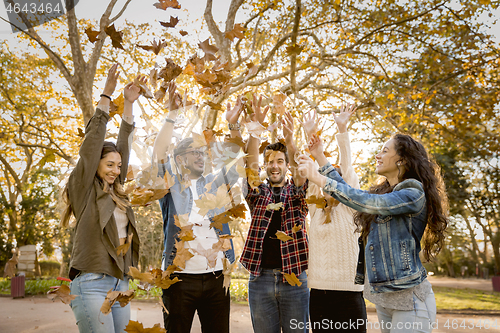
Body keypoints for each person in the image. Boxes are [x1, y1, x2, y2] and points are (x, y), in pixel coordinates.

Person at [298, 131, 448, 333]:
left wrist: (317, 176)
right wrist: (320, 156)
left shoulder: (413, 193)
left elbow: (367, 202)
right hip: (385, 301)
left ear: (402, 160)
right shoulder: (384, 193)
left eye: (385, 151)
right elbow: (351, 192)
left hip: (410, 300)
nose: (378, 155)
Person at [152, 83, 244, 333]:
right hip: (179, 279)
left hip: (216, 279)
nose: (201, 156)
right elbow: (158, 156)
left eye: (203, 153)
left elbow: (236, 162)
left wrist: (233, 125)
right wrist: (171, 115)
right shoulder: (170, 185)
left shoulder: (214, 185)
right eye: (195, 153)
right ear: (180, 159)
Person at [62, 64, 143, 333]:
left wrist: (129, 104)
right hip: (91, 283)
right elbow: (92, 143)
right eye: (109, 165)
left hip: (119, 283)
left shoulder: (117, 190)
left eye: (118, 166)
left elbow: (125, 143)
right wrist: (107, 95)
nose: (116, 171)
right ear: (95, 164)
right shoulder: (84, 188)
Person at [240, 95, 309, 333]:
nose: (275, 165)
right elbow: (250, 167)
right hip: (260, 280)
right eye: (269, 161)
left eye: (280, 161)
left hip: (294, 279)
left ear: (286, 165)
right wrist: (255, 131)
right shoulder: (258, 193)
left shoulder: (296, 194)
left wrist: (290, 140)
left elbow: (301, 176)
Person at [301, 105, 367, 332]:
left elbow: (346, 168)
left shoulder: (352, 208)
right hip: (319, 294)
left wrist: (342, 128)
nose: (329, 182)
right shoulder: (316, 209)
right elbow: (310, 166)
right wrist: (310, 134)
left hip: (350, 293)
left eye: (335, 178)